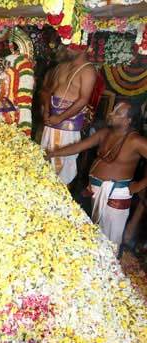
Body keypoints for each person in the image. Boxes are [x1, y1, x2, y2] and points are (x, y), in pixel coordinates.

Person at [47, 101, 147, 247]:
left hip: (116, 196)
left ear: (128, 121)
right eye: (113, 110)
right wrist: (53, 153)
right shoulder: (104, 133)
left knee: (109, 243)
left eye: (118, 113)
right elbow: (79, 147)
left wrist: (139, 186)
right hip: (94, 191)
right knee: (91, 236)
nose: (111, 114)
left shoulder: (136, 141)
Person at [41, 44, 97, 186]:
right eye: (68, 46)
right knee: (43, 159)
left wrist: (60, 118)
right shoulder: (62, 66)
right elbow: (47, 91)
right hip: (50, 122)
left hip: (67, 127)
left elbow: (84, 100)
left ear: (84, 48)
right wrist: (47, 110)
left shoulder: (88, 71)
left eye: (72, 47)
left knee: (63, 168)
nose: (68, 49)